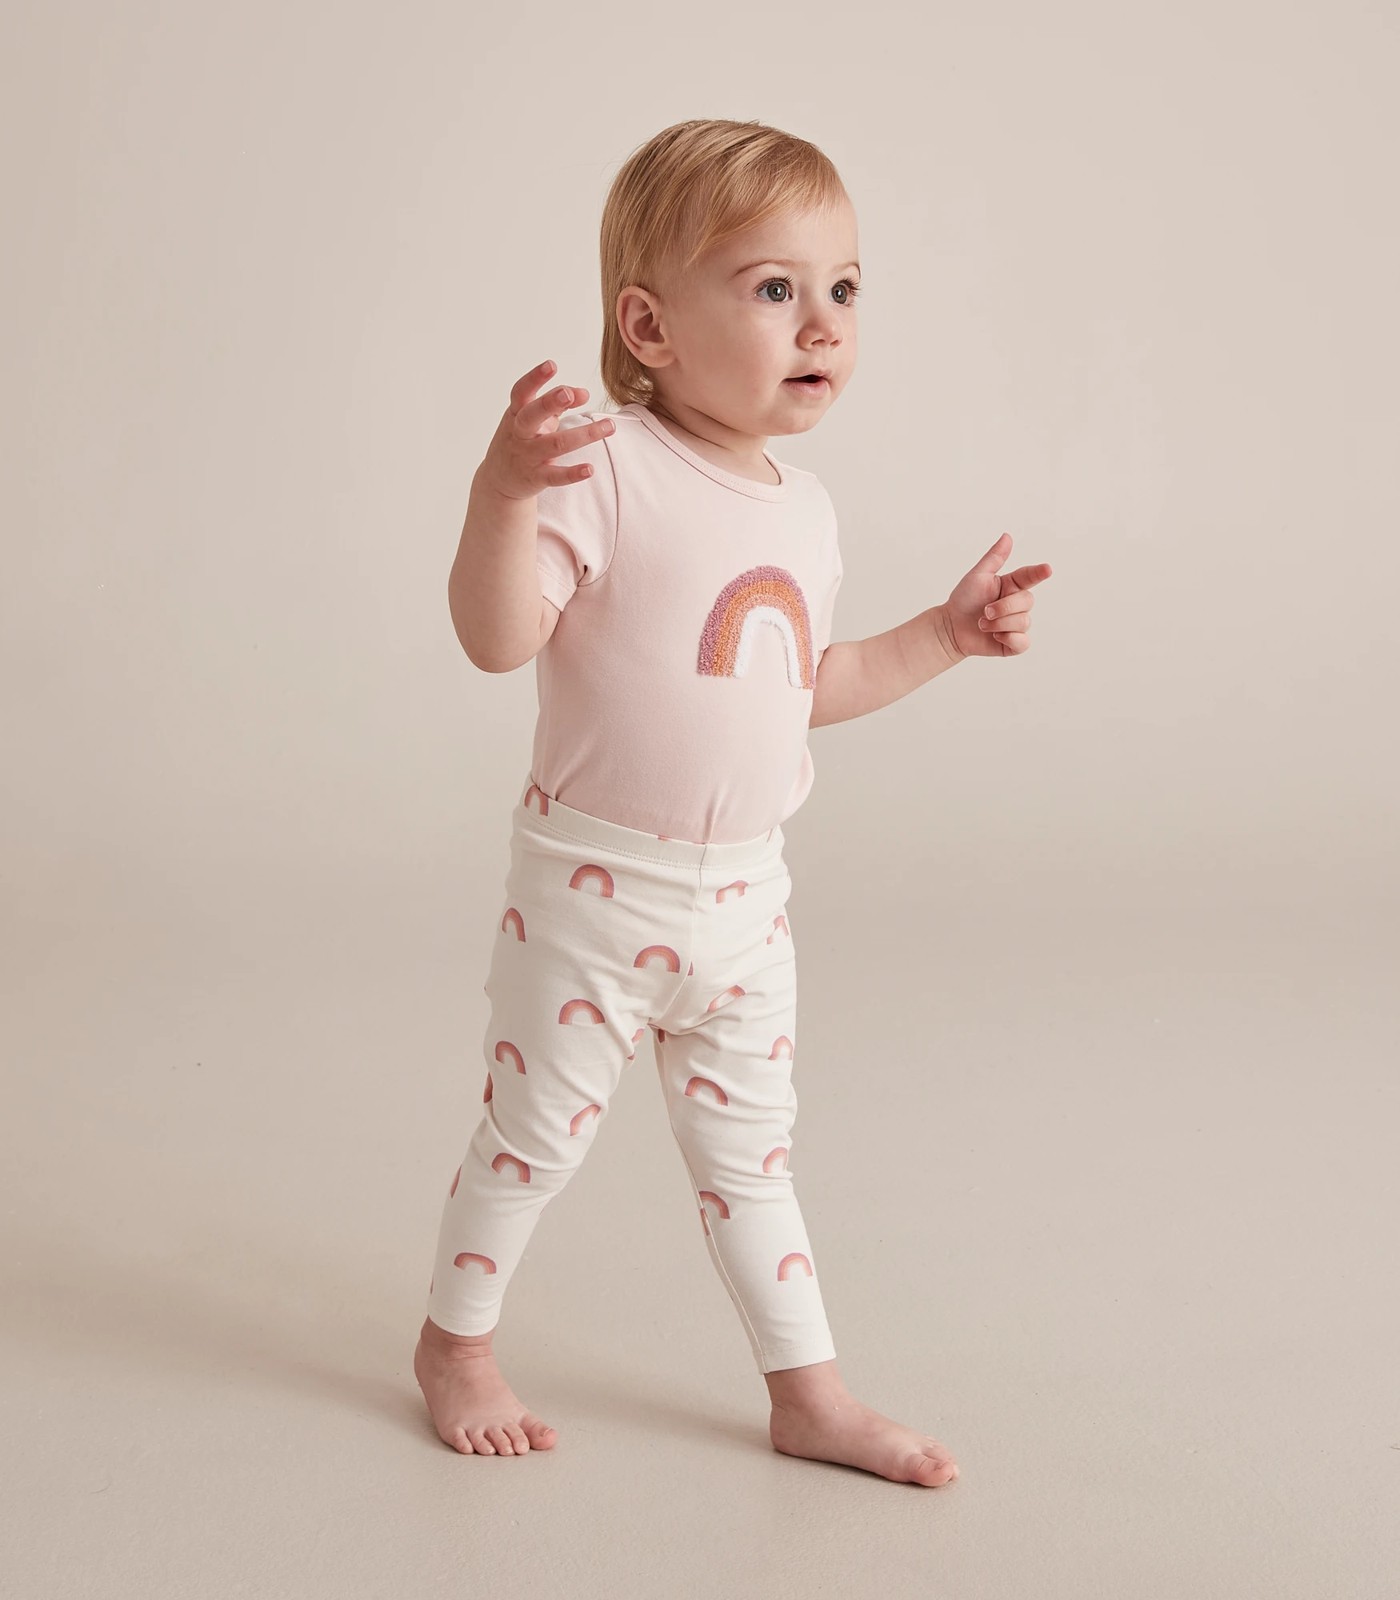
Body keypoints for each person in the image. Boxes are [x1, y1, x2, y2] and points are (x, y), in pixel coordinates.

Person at [413, 118, 1052, 1486]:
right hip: (593, 896)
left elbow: (801, 685)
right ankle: (455, 1345)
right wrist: (504, 493)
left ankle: (807, 1394)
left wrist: (942, 636)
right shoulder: (606, 469)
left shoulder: (804, 510)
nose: (823, 323)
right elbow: (496, 637)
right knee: (532, 1141)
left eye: (844, 288)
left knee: (755, 1160)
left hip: (748, 903)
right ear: (649, 327)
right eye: (775, 288)